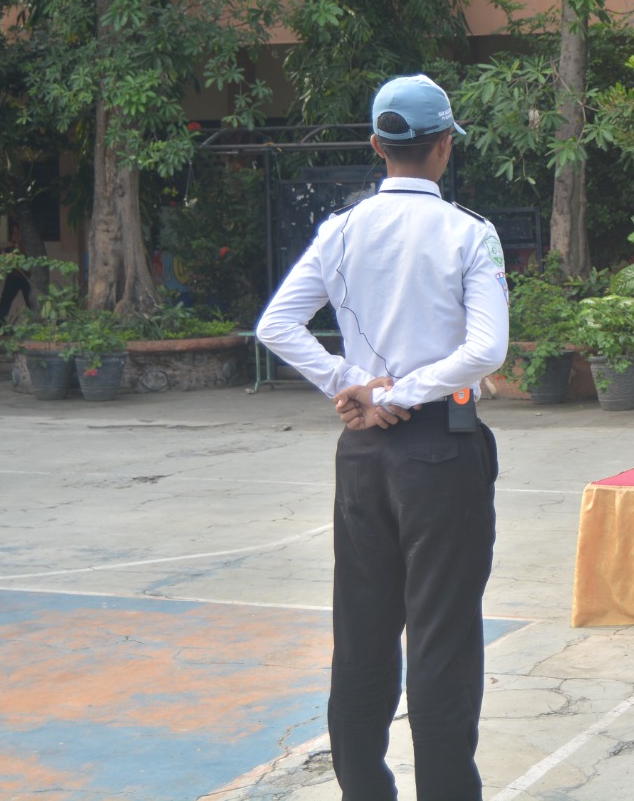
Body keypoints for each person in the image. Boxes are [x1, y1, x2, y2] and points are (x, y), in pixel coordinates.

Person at [256, 74, 509, 799]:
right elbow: (487, 349)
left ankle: (364, 789)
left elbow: (277, 323)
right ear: (446, 147)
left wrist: (353, 384)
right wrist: (403, 391)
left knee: (362, 636)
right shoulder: (470, 233)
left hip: (363, 452)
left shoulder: (340, 231)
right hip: (442, 450)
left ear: (376, 145)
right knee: (442, 641)